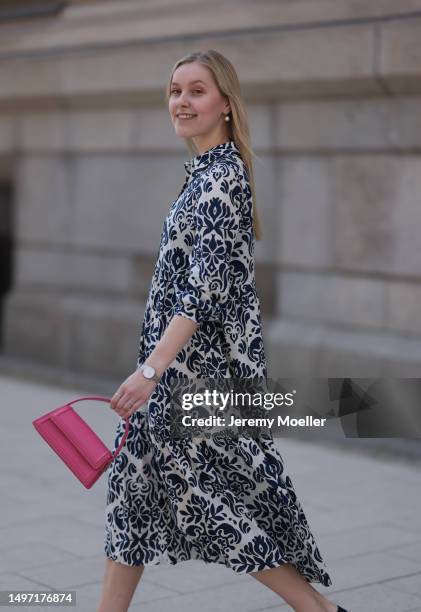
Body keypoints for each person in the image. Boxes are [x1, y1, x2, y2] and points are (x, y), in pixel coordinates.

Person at [97, 49, 348, 612]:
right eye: (174, 90)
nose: (181, 101)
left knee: (213, 508)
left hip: (189, 380)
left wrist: (148, 371)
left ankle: (318, 609)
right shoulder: (207, 175)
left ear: (226, 105)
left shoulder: (220, 180)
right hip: (178, 378)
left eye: (196, 91)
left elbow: (202, 293)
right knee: (134, 499)